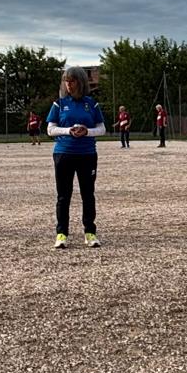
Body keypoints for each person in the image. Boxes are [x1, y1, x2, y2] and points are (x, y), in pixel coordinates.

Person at [47, 67, 106, 249]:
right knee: (63, 196)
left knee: (88, 194)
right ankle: (62, 233)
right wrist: (68, 131)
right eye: (66, 81)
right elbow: (50, 129)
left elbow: (102, 129)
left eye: (72, 81)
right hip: (64, 153)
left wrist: (87, 131)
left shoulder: (91, 104)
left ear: (80, 82)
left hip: (87, 154)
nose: (68, 85)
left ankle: (90, 232)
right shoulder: (59, 104)